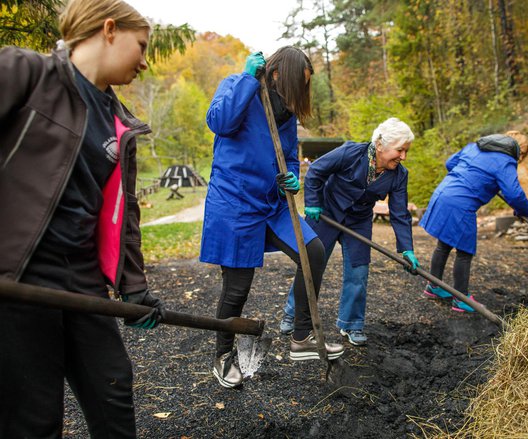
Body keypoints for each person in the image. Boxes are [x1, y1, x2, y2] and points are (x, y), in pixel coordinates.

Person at [0, 0, 165, 437]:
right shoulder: (26, 74)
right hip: (19, 279)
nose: (145, 62)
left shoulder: (119, 123)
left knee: (113, 390)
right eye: (141, 46)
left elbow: (123, 214)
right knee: (34, 417)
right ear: (109, 30)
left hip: (82, 277)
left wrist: (135, 289)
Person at [201, 46, 344, 389]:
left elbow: (291, 157)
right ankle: (223, 356)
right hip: (235, 203)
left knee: (314, 251)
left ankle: (300, 337)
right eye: (299, 83)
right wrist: (249, 79)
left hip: (272, 203)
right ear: (278, 74)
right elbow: (218, 121)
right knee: (237, 289)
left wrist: (294, 179)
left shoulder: (287, 115)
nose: (302, 92)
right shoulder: (238, 85)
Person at [279, 118, 419, 346]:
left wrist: (407, 249)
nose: (403, 157)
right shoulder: (351, 153)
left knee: (358, 270)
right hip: (325, 212)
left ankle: (351, 323)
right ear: (381, 144)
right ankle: (293, 313)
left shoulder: (399, 175)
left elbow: (400, 213)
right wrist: (313, 201)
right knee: (311, 265)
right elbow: (316, 171)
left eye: (405, 151)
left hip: (359, 221)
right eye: (400, 150)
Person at [419, 132, 528, 312]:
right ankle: (461, 298)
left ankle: (433, 286)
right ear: (519, 151)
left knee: (444, 245)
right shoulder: (506, 160)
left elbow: (450, 163)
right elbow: (514, 193)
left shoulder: (475, 147)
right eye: (522, 155)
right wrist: (525, 211)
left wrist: (474, 176)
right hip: (460, 204)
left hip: (443, 193)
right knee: (464, 252)